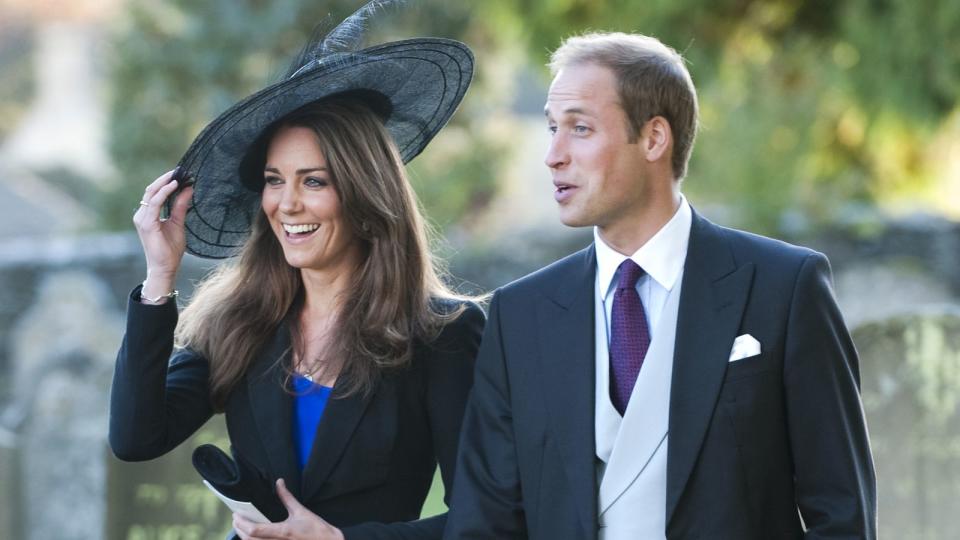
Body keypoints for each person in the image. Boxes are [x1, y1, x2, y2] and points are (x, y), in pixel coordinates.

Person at [444, 32, 876, 539]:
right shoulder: (520, 314)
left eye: (580, 129)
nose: (553, 155)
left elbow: (842, 515)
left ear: (653, 138)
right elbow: (484, 523)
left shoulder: (784, 286)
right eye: (551, 128)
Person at [109, 4, 482, 539]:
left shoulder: (442, 335)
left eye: (313, 181)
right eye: (273, 180)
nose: (287, 204)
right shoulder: (240, 321)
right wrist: (160, 279)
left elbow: (485, 519)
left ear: (364, 192)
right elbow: (135, 438)